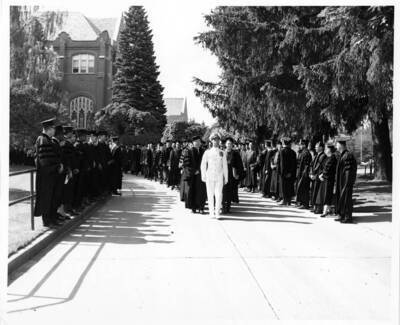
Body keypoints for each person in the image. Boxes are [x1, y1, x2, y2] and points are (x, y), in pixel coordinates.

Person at [33, 117, 64, 227]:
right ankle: (47, 221)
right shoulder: (43, 139)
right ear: (48, 129)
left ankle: (51, 218)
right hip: (46, 175)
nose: (54, 131)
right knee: (46, 197)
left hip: (51, 174)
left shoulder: (48, 139)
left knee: (51, 197)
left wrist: (58, 165)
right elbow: (44, 160)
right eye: (53, 129)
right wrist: (56, 167)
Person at [201, 132, 228, 218]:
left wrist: (226, 177)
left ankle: (217, 212)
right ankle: (211, 212)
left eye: (217, 140)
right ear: (211, 141)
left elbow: (225, 166)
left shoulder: (222, 152)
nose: (216, 141)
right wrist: (204, 175)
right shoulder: (207, 152)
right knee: (210, 194)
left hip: (219, 176)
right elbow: (203, 164)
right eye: (214, 140)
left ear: (219, 141)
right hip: (209, 176)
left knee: (219, 194)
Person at [334, 136, 357, 223]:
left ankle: (348, 217)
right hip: (342, 181)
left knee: (346, 198)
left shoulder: (347, 155)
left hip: (346, 182)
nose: (336, 146)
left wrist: (347, 183)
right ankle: (342, 215)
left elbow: (349, 171)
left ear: (340, 145)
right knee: (342, 198)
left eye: (337, 144)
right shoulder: (342, 155)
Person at [182, 136, 207, 213]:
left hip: (201, 175)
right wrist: (194, 171)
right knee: (192, 191)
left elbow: (206, 163)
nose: (198, 143)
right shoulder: (188, 151)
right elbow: (186, 164)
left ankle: (201, 207)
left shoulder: (204, 151)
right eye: (196, 141)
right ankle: (193, 208)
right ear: (193, 143)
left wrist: (201, 171)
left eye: (199, 141)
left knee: (201, 191)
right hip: (192, 175)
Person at [315, 142, 338, 217]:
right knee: (324, 194)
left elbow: (328, 168)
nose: (325, 150)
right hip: (325, 179)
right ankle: (326, 210)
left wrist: (323, 175)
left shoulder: (333, 157)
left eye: (326, 148)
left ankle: (326, 211)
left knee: (327, 194)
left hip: (329, 179)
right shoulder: (327, 157)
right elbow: (323, 167)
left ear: (329, 149)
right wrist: (321, 174)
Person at [222, 137, 244, 213]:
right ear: (225, 144)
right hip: (223, 175)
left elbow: (239, 165)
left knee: (230, 192)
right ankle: (223, 207)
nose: (229, 145)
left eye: (231, 144)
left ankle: (228, 208)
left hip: (232, 176)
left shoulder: (235, 154)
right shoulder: (222, 153)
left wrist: (238, 174)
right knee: (223, 192)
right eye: (228, 143)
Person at [279, 137, 297, 205]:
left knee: (284, 186)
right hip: (291, 173)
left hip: (284, 173)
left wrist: (283, 172)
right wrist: (291, 173)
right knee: (290, 186)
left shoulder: (282, 151)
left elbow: (282, 163)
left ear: (283, 143)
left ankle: (284, 200)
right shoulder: (293, 152)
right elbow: (294, 164)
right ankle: (289, 201)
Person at [310, 141, 327, 213]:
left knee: (318, 193)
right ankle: (315, 207)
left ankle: (319, 208)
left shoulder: (323, 156)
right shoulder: (316, 155)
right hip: (314, 176)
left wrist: (314, 175)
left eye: (317, 147)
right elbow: (312, 165)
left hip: (318, 176)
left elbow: (319, 167)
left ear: (321, 147)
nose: (315, 148)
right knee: (314, 192)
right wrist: (311, 173)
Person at [295, 139, 312, 208]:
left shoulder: (306, 153)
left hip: (304, 173)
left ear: (304, 145)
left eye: (301, 144)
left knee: (304, 188)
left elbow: (306, 165)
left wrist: (304, 174)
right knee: (301, 188)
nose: (300, 145)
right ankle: (301, 202)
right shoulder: (302, 152)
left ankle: (305, 204)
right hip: (300, 172)